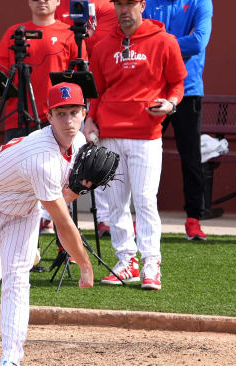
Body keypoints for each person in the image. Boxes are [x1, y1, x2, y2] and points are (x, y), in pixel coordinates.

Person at [0, 83, 94, 366]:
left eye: (74, 112)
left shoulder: (79, 142)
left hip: (24, 212)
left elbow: (59, 199)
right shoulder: (41, 157)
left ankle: (11, 365)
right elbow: (62, 222)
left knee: (16, 279)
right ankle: (18, 254)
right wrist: (85, 266)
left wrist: (80, 186)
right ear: (48, 117)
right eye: (60, 114)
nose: (68, 120)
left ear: (84, 113)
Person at [83, 0, 186, 290]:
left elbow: (178, 84)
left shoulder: (165, 41)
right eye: (118, 4)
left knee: (144, 200)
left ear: (142, 5)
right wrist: (90, 120)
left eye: (130, 3)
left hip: (146, 133)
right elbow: (97, 92)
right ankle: (127, 260)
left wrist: (170, 104)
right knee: (115, 202)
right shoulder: (103, 45)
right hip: (109, 133)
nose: (123, 10)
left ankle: (151, 263)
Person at [0, 0, 86, 234]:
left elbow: (82, 78)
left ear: (58, 1)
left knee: (60, 181)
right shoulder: (14, 33)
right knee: (17, 182)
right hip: (18, 115)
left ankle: (64, 246)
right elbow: (2, 71)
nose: (42, 1)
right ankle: (19, 242)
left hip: (57, 118)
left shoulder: (69, 34)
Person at [143, 0, 212, 241]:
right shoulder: (147, 3)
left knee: (191, 156)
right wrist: (162, 46)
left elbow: (199, 41)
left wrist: (158, 45)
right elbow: (137, 40)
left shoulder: (200, 2)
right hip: (151, 90)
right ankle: (139, 217)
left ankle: (194, 219)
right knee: (143, 153)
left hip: (188, 89)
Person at [55, 0, 117, 238]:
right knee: (60, 150)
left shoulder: (109, 8)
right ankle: (50, 215)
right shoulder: (60, 6)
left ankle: (104, 217)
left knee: (96, 153)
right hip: (66, 87)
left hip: (98, 87)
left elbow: (105, 46)